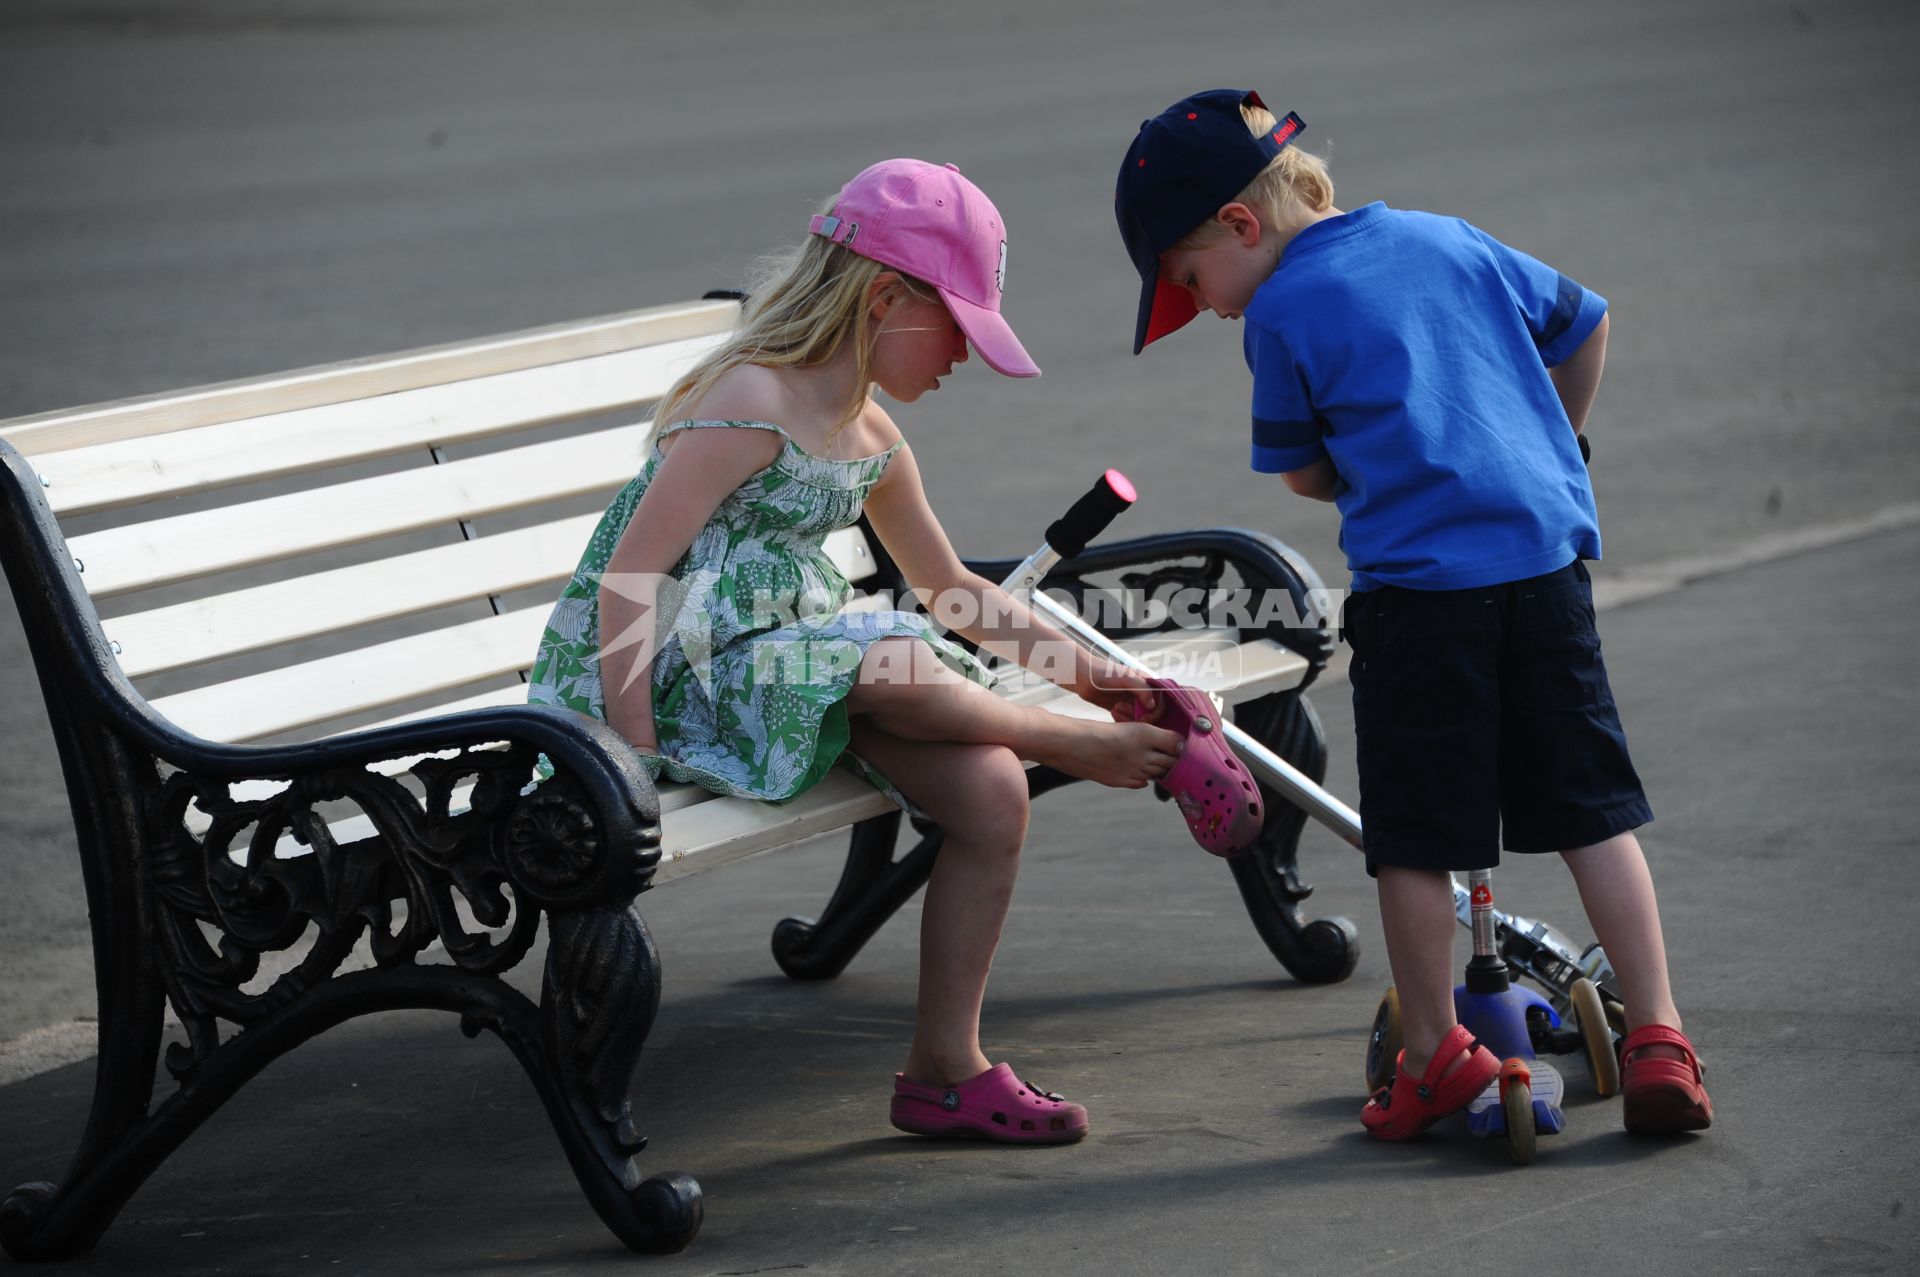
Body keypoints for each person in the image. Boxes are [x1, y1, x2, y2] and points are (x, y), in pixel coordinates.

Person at [529, 158, 1186, 1145]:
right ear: (885, 297)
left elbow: (953, 590)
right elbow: (632, 578)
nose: (965, 353)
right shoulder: (749, 400)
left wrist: (1104, 676)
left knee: (992, 792)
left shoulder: (867, 429)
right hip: (682, 675)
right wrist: (628, 748)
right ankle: (1064, 741)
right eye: (958, 326)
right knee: (886, 657)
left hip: (785, 666)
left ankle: (944, 1068)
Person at [1113, 90, 1712, 1138]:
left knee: (1416, 839)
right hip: (1544, 571)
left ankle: (1435, 1045)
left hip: (1419, 598)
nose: (1209, 307)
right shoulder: (1449, 238)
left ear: (1241, 228)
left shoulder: (1285, 312)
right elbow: (1585, 321)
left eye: (1193, 280)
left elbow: (1302, 472)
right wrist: (1556, 445)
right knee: (1593, 807)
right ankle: (1661, 1032)